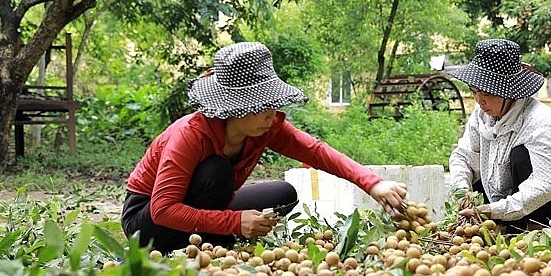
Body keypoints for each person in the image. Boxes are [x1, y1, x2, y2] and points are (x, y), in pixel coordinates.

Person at [122, 41, 408, 253]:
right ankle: (206, 241)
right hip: (147, 222)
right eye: (263, 106)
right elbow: (163, 209)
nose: (272, 113)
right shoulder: (191, 134)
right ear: (234, 107)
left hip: (202, 205)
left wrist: (373, 184)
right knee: (217, 170)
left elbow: (316, 152)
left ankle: (210, 239)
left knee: (283, 194)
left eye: (274, 103)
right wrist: (233, 222)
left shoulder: (266, 127)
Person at [446, 38, 551, 232]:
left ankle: (533, 228)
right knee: (474, 168)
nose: (479, 100)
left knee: (520, 156)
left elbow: (545, 186)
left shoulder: (540, 120)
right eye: (474, 91)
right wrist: (463, 194)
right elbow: (463, 156)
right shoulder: (481, 116)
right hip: (504, 205)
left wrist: (494, 211)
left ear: (508, 92)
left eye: (486, 93)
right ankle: (508, 226)